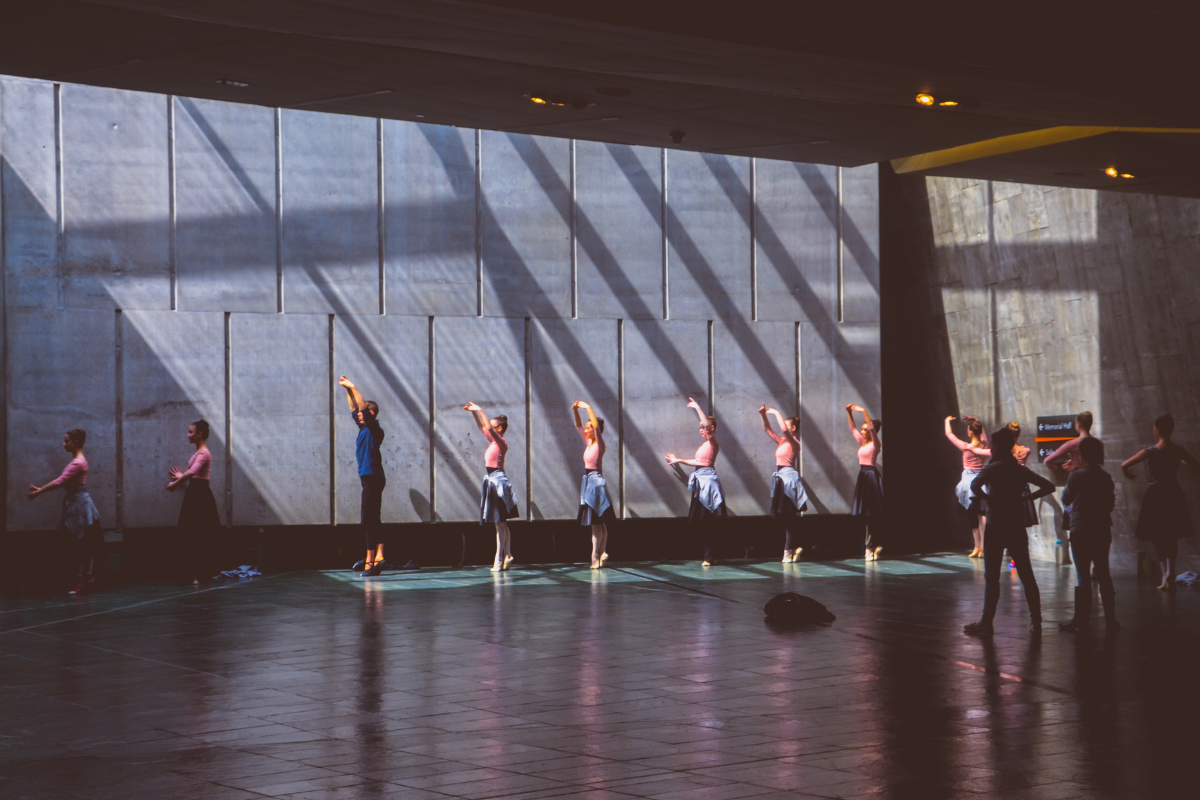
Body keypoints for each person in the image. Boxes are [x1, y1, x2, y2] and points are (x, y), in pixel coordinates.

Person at [963, 427, 1055, 636]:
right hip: (1015, 524)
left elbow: (976, 486)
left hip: (996, 524)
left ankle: (986, 622)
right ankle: (1036, 620)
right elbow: (1048, 486)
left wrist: (989, 499)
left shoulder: (992, 468)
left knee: (992, 576)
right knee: (1027, 575)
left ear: (995, 447)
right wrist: (1026, 498)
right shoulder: (1019, 469)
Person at [1122, 414, 1198, 590]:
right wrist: (1178, 461)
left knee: (1158, 535)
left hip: (1155, 495)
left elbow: (1124, 465)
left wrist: (1128, 474)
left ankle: (1165, 575)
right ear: (1171, 430)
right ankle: (1171, 571)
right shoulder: (1177, 450)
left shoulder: (1150, 451)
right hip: (1173, 493)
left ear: (1157, 430)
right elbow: (1194, 464)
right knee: (1171, 534)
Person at [27, 429, 103, 595]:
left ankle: (80, 581)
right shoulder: (78, 461)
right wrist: (41, 489)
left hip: (79, 506)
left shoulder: (78, 463)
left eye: (66, 441)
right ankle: (86, 577)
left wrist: (38, 493)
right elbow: (64, 481)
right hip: (78, 503)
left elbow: (60, 481)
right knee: (84, 541)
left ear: (75, 442)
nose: (64, 444)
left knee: (80, 542)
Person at [1059, 437, 1118, 631]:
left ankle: (1081, 620)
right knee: (1104, 574)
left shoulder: (1076, 476)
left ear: (1082, 455)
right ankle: (1111, 620)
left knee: (1083, 577)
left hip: (1080, 528)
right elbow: (1110, 504)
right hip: (1101, 529)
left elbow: (1065, 497)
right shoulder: (1106, 477)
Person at [666, 397, 725, 567]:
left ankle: (710, 556)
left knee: (708, 522)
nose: (701, 430)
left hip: (708, 483)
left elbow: (706, 425)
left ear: (711, 429)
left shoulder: (713, 443)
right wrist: (679, 460)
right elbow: (698, 462)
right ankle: (711, 555)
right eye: (699, 428)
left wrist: (698, 408)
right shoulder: (705, 445)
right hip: (702, 482)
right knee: (704, 522)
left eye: (703, 428)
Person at [339, 376, 388, 577]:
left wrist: (354, 387)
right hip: (368, 477)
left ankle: (370, 560)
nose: (358, 415)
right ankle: (380, 557)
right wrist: (347, 391)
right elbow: (354, 409)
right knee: (373, 520)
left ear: (371, 413)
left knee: (367, 521)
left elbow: (361, 409)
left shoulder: (375, 429)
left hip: (374, 477)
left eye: (363, 413)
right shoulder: (363, 429)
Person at [465, 402, 518, 571]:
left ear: (500, 429)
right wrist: (474, 413)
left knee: (499, 523)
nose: (489, 429)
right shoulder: (493, 442)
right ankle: (508, 555)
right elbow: (483, 427)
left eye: (493, 427)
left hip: (498, 483)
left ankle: (499, 560)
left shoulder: (501, 442)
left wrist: (480, 409)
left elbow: (487, 425)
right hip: (492, 481)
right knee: (501, 523)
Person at [166, 420, 220, 585]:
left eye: (191, 432)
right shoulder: (199, 452)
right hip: (196, 492)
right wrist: (180, 476)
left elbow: (193, 471)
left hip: (200, 495)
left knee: (199, 533)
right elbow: (194, 473)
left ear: (199, 434)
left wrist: (175, 484)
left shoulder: (203, 453)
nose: (188, 435)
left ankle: (201, 574)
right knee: (194, 532)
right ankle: (197, 572)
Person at [760, 404, 807, 562]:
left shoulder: (795, 443)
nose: (783, 428)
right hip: (781, 478)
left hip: (789, 479)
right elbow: (767, 429)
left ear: (793, 428)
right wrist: (764, 415)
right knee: (787, 518)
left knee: (789, 517)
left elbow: (785, 430)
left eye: (787, 425)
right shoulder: (781, 442)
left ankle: (788, 550)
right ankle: (792, 548)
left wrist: (776, 412)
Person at [573, 400, 614, 569]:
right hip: (589, 482)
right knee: (599, 523)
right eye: (588, 427)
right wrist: (575, 410)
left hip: (595, 483)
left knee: (596, 523)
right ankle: (602, 552)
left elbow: (596, 428)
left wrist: (587, 407)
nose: (587, 429)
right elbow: (577, 425)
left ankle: (595, 555)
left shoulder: (599, 444)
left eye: (589, 427)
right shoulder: (589, 444)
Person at [945, 415, 991, 558]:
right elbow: (983, 436)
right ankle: (979, 547)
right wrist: (977, 420)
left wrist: (947, 421)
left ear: (970, 432)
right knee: (979, 514)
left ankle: (980, 546)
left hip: (969, 481)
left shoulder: (966, 447)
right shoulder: (984, 445)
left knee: (975, 514)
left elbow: (949, 434)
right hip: (981, 480)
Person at [1046, 411, 1095, 533]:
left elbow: (1048, 460)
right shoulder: (1098, 443)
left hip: (1076, 485)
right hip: (1094, 484)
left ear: (1077, 424)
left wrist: (1053, 467)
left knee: (1076, 521)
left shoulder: (1073, 443)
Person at [848, 404, 883, 560]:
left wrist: (863, 411)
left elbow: (871, 428)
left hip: (871, 477)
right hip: (863, 476)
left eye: (865, 429)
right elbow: (852, 427)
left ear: (870, 431)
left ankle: (870, 547)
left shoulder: (875, 444)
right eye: (862, 430)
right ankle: (871, 546)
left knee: (871, 514)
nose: (862, 431)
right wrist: (849, 412)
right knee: (865, 514)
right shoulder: (863, 443)